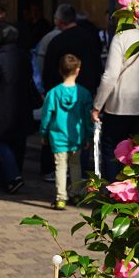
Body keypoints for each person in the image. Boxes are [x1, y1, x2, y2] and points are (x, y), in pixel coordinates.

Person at [91, 18, 139, 182]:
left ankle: (114, 190)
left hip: (121, 102)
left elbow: (110, 75)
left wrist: (97, 105)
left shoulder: (121, 36)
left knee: (111, 147)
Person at [0, 23, 33, 193]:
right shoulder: (23, 55)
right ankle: (7, 180)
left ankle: (12, 176)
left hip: (0, 106)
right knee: (17, 144)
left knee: (0, 141)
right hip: (21, 105)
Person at [40, 54, 93, 209]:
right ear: (78, 71)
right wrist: (88, 135)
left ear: (60, 70)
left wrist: (44, 133)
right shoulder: (83, 93)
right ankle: (75, 193)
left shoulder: (53, 93)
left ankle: (60, 197)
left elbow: (46, 116)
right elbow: (86, 117)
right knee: (76, 166)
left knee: (60, 166)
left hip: (57, 135)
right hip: (76, 135)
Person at [42, 4, 102, 95]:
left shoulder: (56, 42)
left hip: (62, 94)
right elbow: (97, 66)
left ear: (59, 21)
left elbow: (48, 73)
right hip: (87, 92)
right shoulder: (91, 38)